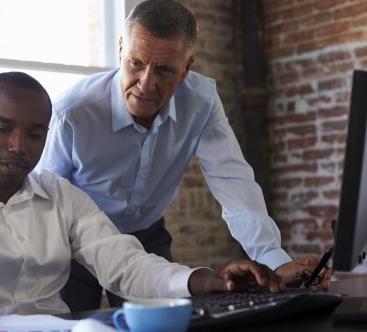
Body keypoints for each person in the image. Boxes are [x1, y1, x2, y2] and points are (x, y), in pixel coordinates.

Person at [0, 71, 283, 332]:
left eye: (34, 133)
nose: (17, 145)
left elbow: (126, 264)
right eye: (2, 128)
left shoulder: (60, 195)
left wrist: (209, 281)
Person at [35, 0, 328, 311]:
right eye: (136, 63)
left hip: (147, 241)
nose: (146, 84)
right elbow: (43, 200)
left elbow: (234, 182)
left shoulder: (201, 102)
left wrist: (273, 259)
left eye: (164, 69)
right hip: (75, 247)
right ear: (121, 49)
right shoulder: (72, 113)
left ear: (187, 68)